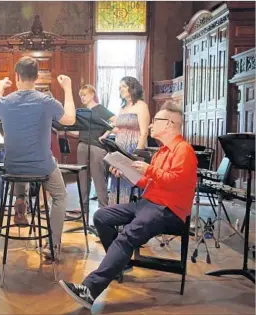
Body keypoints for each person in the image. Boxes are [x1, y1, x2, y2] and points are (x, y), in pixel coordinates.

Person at [59, 101, 198, 309]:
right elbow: (149, 182)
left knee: (126, 237)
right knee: (101, 217)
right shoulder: (161, 152)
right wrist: (126, 171)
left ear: (169, 124)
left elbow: (175, 181)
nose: (150, 126)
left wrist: (148, 171)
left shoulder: (183, 150)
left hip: (169, 210)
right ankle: (118, 265)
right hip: (149, 203)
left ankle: (90, 289)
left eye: (155, 121)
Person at [0, 56, 76, 259]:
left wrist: (0, 89)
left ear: (17, 76)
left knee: (22, 167)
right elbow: (70, 119)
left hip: (12, 168)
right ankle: (52, 246)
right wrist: (68, 88)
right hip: (41, 167)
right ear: (36, 77)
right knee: (61, 196)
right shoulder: (45, 101)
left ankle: (21, 202)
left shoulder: (5, 101)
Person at [69, 85, 115, 211]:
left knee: (98, 178)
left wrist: (105, 135)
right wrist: (65, 131)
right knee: (83, 178)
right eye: (81, 96)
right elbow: (79, 133)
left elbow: (115, 122)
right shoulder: (82, 113)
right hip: (82, 145)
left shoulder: (100, 109)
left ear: (92, 94)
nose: (82, 98)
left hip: (96, 146)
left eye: (85, 95)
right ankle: (83, 208)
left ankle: (103, 209)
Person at [108, 76, 150, 205]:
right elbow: (120, 129)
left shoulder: (141, 106)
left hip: (133, 149)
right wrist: (106, 129)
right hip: (120, 147)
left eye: (124, 86)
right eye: (120, 87)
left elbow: (144, 132)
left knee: (130, 182)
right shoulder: (122, 108)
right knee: (117, 180)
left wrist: (136, 155)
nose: (121, 89)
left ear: (133, 88)